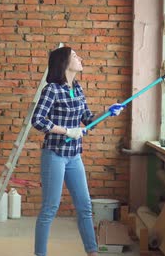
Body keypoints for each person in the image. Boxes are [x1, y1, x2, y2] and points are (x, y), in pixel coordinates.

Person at [31, 46, 123, 256]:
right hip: (54, 154)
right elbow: (36, 120)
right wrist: (66, 131)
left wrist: (108, 112)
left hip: (74, 156)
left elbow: (88, 120)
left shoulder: (78, 88)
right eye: (74, 56)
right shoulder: (52, 90)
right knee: (50, 208)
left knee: (85, 207)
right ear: (64, 63)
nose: (80, 58)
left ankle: (92, 252)